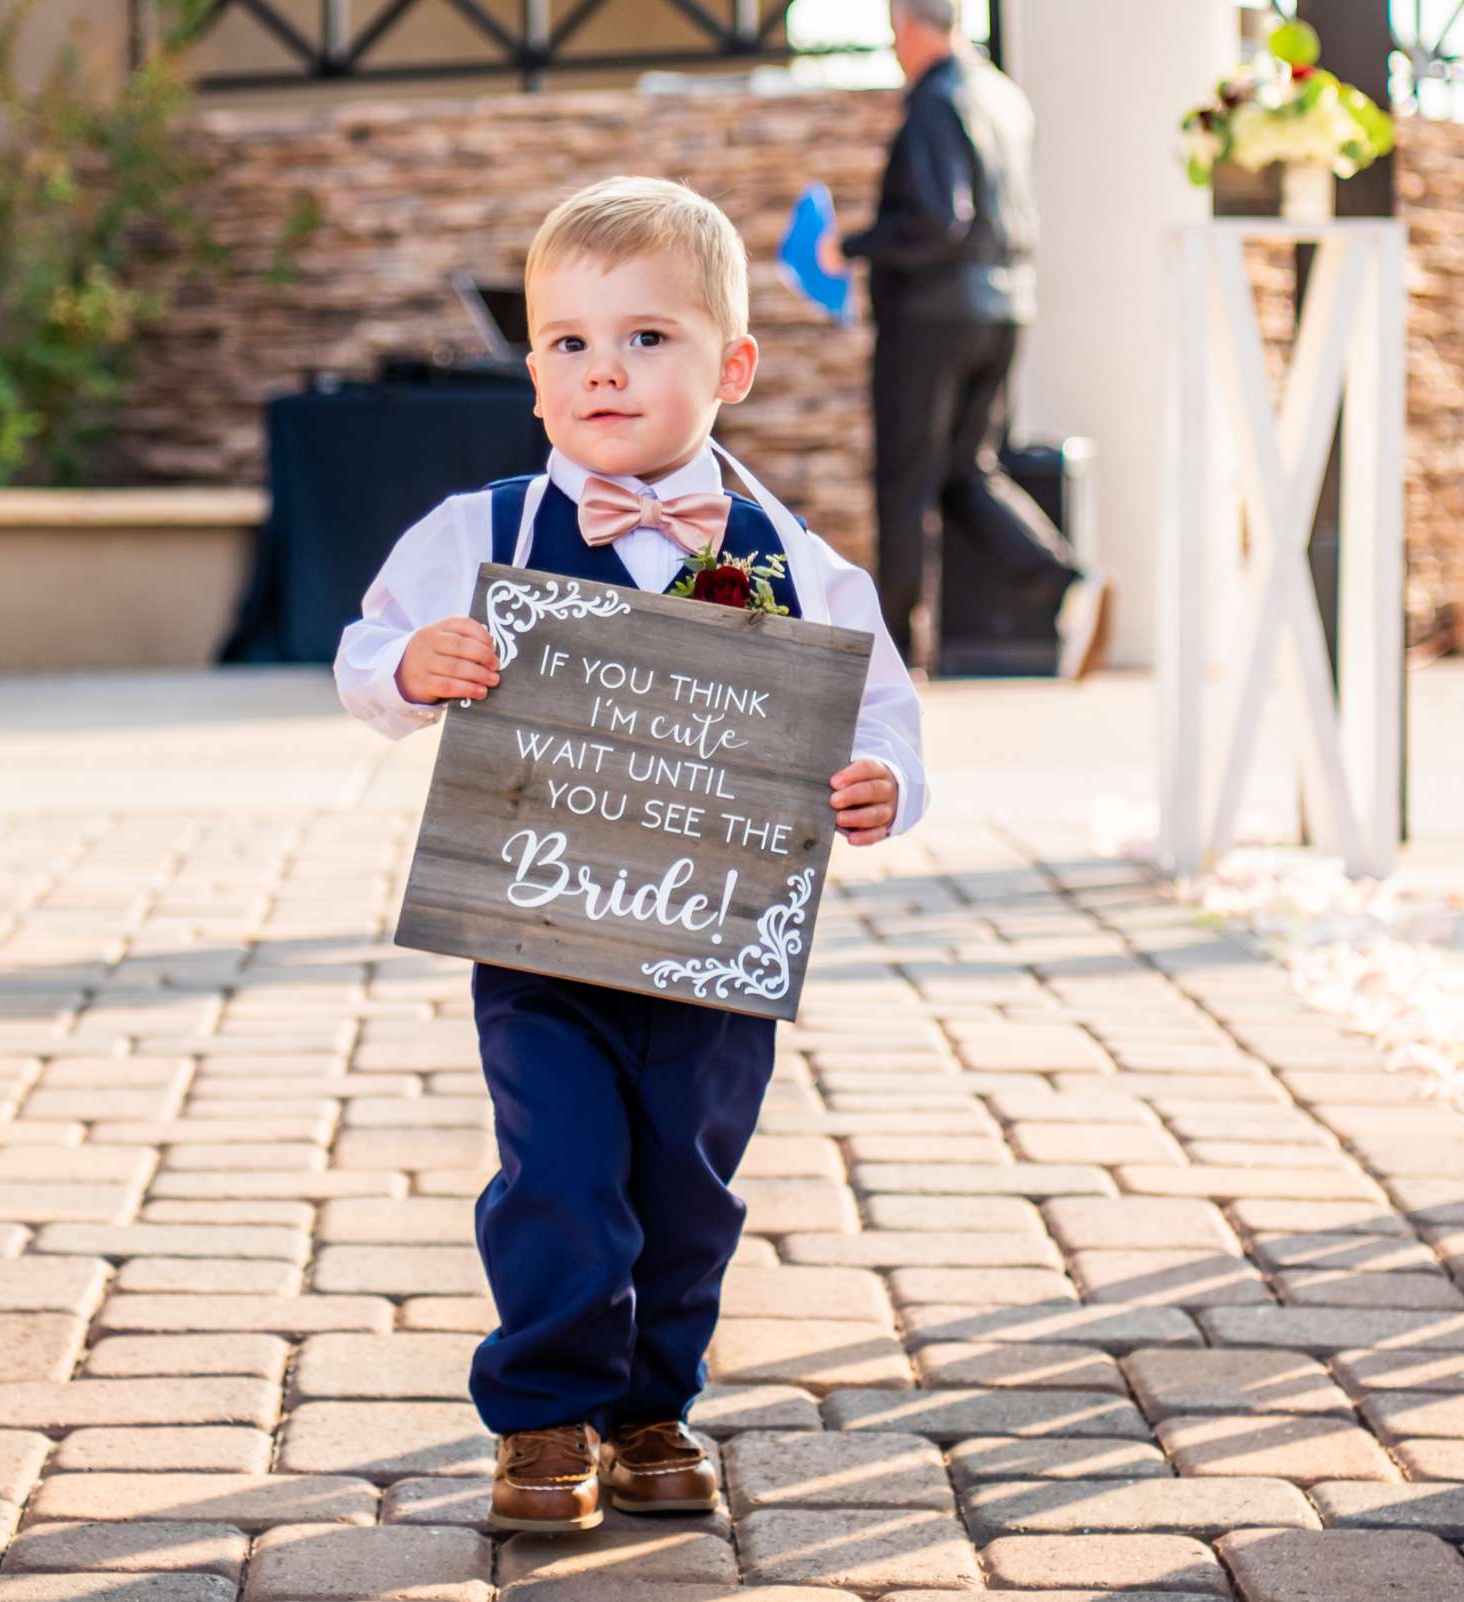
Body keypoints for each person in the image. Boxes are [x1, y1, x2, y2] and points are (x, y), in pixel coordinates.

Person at [334, 176, 927, 1531]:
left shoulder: (801, 566)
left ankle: (654, 1401)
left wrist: (885, 782)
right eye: (569, 342)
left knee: (688, 1186)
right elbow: (364, 656)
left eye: (647, 338)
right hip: (541, 931)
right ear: (534, 372)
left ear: (732, 365)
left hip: (717, 949)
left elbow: (883, 712)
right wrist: (415, 666)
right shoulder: (480, 534)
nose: (604, 370)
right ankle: (547, 1413)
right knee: (556, 1175)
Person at [828, 0, 1111, 678]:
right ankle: (1068, 583)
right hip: (1005, 309)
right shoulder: (1002, 95)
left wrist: (853, 245)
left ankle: (891, 657)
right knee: (965, 472)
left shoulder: (935, 103)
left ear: (907, 27)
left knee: (905, 482)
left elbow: (936, 221)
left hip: (933, 318)